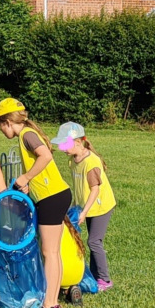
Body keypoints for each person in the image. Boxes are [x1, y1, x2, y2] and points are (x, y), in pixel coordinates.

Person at [0, 98, 72, 308]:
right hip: (55, 195)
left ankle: (50, 306)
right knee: (53, 252)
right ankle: (53, 303)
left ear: (7, 122)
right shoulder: (27, 134)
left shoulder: (26, 135)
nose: (0, 130)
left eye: (0, 125)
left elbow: (45, 155)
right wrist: (29, 185)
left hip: (52, 196)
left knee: (49, 252)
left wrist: (26, 177)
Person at [52, 121, 117, 291]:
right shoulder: (72, 161)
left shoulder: (91, 162)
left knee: (94, 241)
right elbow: (78, 186)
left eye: (66, 144)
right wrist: (75, 206)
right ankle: (95, 277)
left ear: (79, 142)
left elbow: (95, 190)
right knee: (90, 241)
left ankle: (105, 280)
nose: (63, 149)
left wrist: (84, 212)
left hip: (101, 207)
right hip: (85, 207)